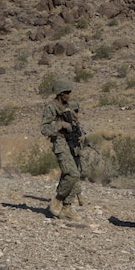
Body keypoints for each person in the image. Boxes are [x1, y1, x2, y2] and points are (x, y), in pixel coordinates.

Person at [41, 77, 82, 220]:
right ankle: (58, 198)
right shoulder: (51, 108)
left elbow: (76, 123)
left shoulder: (68, 106)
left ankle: (67, 208)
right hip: (60, 143)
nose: (69, 95)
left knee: (73, 175)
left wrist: (80, 135)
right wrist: (60, 125)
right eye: (66, 92)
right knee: (72, 174)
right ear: (60, 93)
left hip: (71, 143)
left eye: (70, 92)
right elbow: (44, 129)